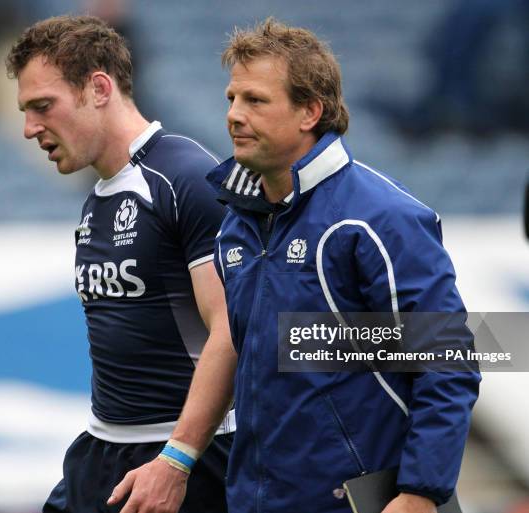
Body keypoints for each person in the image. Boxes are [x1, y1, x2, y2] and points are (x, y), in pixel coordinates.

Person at [109, 18, 481, 513]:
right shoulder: (235, 226)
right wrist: (178, 456)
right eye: (231, 99)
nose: (234, 116)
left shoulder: (379, 219)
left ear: (310, 111)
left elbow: (448, 360)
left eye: (256, 100)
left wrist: (420, 492)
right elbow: (238, 351)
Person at [5, 15, 235, 513]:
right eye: (25, 111)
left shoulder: (185, 178)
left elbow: (230, 331)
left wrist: (178, 458)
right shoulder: (97, 200)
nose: (28, 129)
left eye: (43, 106)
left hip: (180, 457)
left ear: (99, 88)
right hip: (103, 447)